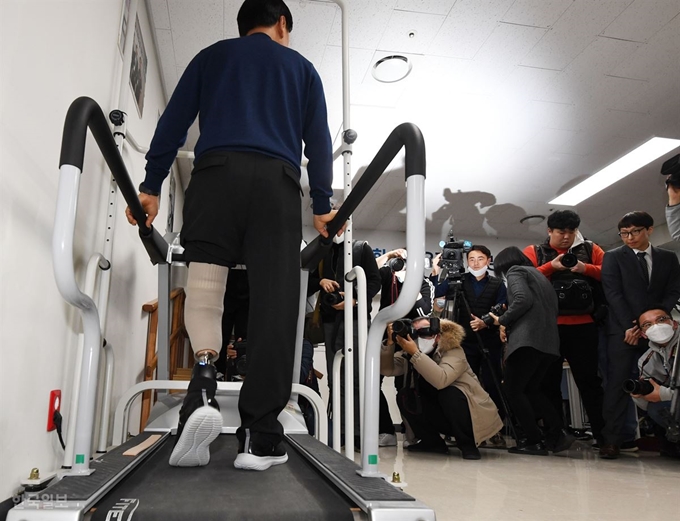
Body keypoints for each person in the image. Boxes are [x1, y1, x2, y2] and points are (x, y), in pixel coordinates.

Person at [125, 0, 340, 472]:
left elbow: (173, 122)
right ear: (282, 24)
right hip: (276, 186)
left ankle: (201, 385)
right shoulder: (302, 69)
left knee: (205, 287)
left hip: (215, 176)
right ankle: (259, 439)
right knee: (273, 305)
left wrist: (150, 186)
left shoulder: (211, 56)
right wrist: (322, 204)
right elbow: (318, 140)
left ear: (243, 27)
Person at [599, 211, 680, 459]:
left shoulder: (667, 257)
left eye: (634, 232)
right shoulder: (613, 258)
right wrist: (634, 326)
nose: (629, 237)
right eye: (624, 233)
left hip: (660, 332)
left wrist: (657, 322)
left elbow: (673, 290)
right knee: (617, 385)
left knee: (662, 383)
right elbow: (613, 294)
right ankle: (612, 440)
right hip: (626, 332)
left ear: (649, 230)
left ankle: (668, 439)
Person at [523, 210, 606, 446]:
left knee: (590, 383)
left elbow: (609, 273)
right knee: (548, 384)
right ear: (549, 231)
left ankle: (604, 436)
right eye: (561, 232)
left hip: (585, 326)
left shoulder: (591, 250)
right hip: (549, 328)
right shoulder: (534, 252)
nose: (567, 237)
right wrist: (551, 266)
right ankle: (555, 435)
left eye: (572, 232)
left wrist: (584, 268)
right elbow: (524, 279)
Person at [489, 247, 575, 455]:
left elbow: (522, 300)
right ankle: (557, 434)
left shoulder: (516, 272)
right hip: (549, 343)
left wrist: (502, 320)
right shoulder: (540, 277)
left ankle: (533, 440)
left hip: (527, 342)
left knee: (513, 389)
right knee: (532, 390)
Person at [380, 317, 503, 460]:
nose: (421, 338)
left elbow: (441, 380)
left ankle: (468, 445)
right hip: (442, 415)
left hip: (470, 417)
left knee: (450, 393)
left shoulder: (453, 350)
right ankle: (431, 442)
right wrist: (389, 343)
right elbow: (387, 370)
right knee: (405, 395)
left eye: (426, 332)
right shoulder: (410, 353)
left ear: (438, 335)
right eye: (416, 334)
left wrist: (415, 353)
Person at [308, 238, 381, 446]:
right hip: (330, 321)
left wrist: (355, 299)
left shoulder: (362, 248)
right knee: (335, 378)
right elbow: (308, 280)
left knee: (358, 377)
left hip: (357, 319)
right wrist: (321, 282)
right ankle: (339, 430)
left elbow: (374, 281)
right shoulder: (320, 251)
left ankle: (359, 433)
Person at [431, 246, 507, 421]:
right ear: (466, 262)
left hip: (490, 340)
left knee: (492, 382)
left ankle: (497, 423)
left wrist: (485, 322)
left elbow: (503, 308)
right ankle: (469, 422)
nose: (475, 263)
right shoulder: (459, 280)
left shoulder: (497, 284)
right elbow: (435, 291)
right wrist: (436, 269)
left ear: (488, 260)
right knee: (466, 383)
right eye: (471, 259)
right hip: (464, 342)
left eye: (480, 259)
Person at [375, 248, 435, 447]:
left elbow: (425, 311)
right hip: (385, 339)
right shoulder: (388, 277)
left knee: (404, 388)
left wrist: (411, 287)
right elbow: (368, 272)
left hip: (411, 342)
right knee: (372, 384)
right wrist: (389, 257)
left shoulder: (424, 284)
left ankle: (412, 434)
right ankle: (385, 430)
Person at [631, 306, 680, 457]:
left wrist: (664, 394)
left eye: (661, 319)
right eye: (647, 324)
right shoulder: (646, 360)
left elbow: (664, 395)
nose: (656, 326)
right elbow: (648, 406)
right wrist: (640, 396)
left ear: (674, 323)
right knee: (656, 408)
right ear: (643, 334)